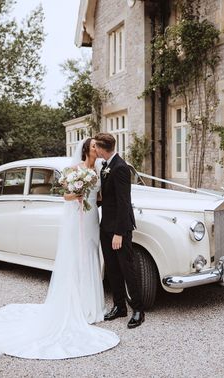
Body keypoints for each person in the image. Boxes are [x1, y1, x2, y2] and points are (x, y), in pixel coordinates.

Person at [0, 138, 119, 360]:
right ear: (87, 150)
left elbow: (101, 195)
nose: (96, 149)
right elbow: (65, 196)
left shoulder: (99, 168)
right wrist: (78, 193)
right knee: (75, 256)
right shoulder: (73, 169)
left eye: (97, 147)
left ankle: (92, 305)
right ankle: (77, 305)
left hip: (91, 218)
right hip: (77, 216)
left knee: (90, 254)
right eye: (93, 147)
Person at [94, 133, 145, 329]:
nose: (95, 151)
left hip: (119, 229)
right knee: (113, 268)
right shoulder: (106, 166)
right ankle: (119, 306)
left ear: (101, 148)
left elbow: (124, 204)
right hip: (105, 225)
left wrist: (119, 233)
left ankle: (139, 310)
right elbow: (108, 198)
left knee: (127, 269)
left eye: (96, 147)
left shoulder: (121, 168)